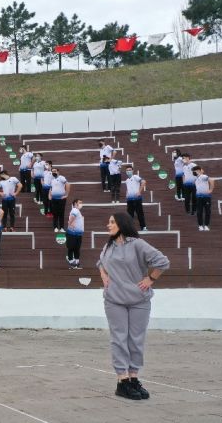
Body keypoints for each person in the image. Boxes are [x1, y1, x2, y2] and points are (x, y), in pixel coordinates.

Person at [98, 212, 170, 400]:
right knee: (119, 338)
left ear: (122, 224)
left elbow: (162, 261)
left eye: (112, 222)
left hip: (139, 300)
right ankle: (122, 381)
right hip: (114, 300)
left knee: (136, 339)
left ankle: (133, 377)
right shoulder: (108, 246)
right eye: (109, 222)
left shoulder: (137, 244)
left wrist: (150, 278)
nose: (108, 225)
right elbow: (100, 263)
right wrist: (104, 276)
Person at [123, 166, 147, 231]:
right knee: (129, 215)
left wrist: (139, 191)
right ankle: (130, 229)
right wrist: (127, 194)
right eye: (127, 170)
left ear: (132, 171)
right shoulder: (127, 181)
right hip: (129, 200)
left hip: (137, 199)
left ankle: (143, 227)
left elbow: (144, 182)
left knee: (140, 214)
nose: (128, 171)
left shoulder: (135, 177)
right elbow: (128, 189)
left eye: (130, 170)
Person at [192, 165, 214, 231]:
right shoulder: (196, 179)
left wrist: (211, 190)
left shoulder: (203, 176)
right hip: (199, 197)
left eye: (194, 171)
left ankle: (206, 226)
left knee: (207, 211)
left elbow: (212, 180)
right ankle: (200, 226)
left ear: (197, 171)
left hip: (206, 197)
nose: (193, 173)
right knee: (199, 212)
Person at [49, 167, 70, 232]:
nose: (53, 172)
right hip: (54, 199)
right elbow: (51, 188)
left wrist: (66, 195)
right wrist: (49, 195)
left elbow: (68, 185)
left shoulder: (61, 178)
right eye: (52, 171)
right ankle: (55, 227)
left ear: (58, 172)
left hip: (61, 199)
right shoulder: (52, 180)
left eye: (55, 171)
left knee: (61, 213)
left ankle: (61, 228)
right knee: (55, 213)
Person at [66, 199, 84, 269]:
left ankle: (76, 263)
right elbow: (72, 217)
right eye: (80, 203)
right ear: (75, 204)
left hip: (78, 234)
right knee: (71, 248)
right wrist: (70, 223)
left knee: (77, 248)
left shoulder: (78, 211)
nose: (81, 204)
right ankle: (71, 263)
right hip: (72, 233)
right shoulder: (75, 210)